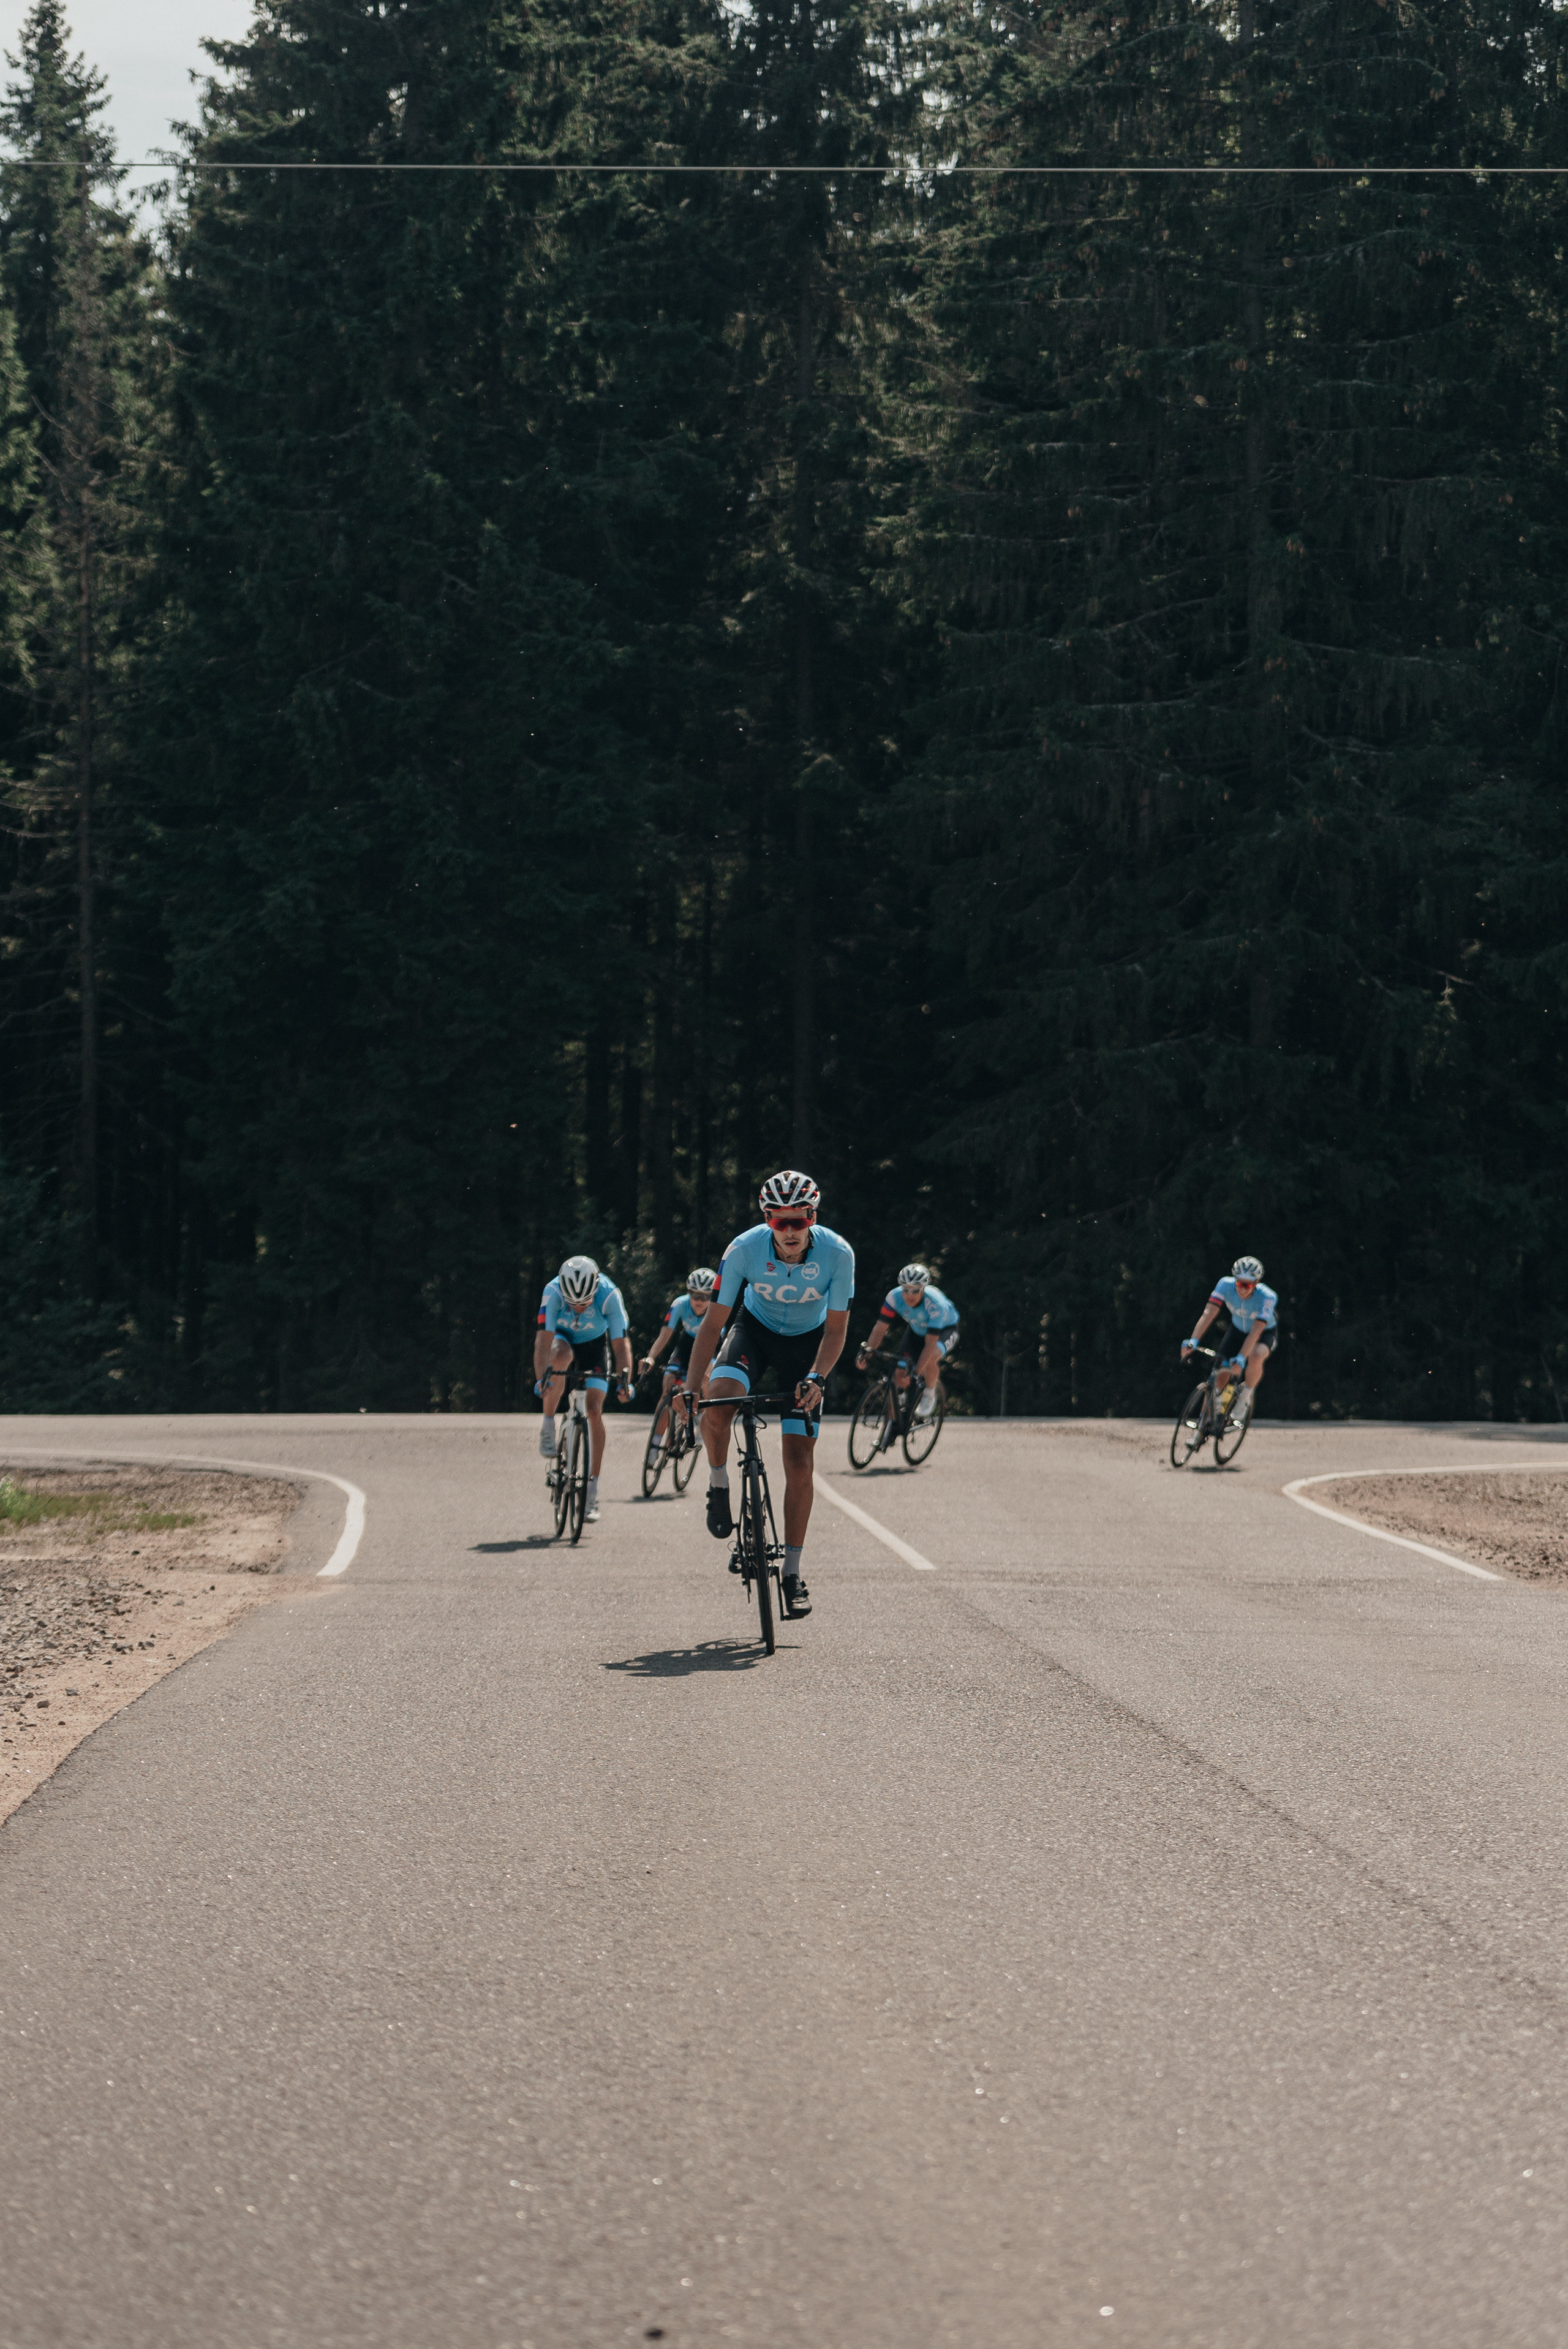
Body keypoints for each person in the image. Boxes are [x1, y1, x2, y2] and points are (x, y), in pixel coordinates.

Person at [681, 1169, 854, 1620]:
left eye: (802, 1219)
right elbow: (713, 1324)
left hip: (807, 1349)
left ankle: (793, 1573)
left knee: (799, 1463)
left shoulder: (838, 1254)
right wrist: (689, 1386)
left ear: (813, 1217)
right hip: (753, 1335)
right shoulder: (743, 1249)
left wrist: (817, 1378)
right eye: (782, 1222)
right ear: (768, 1220)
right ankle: (719, 1484)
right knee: (718, 1402)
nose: (792, 1230)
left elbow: (836, 1331)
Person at [535, 1254, 634, 1522]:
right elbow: (543, 1342)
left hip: (595, 1348)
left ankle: (592, 1492)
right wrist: (542, 1379)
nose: (578, 1308)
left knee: (594, 1410)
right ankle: (547, 1425)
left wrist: (625, 1381)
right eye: (572, 1303)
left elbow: (620, 1344)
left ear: (596, 1288)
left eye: (585, 1302)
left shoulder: (610, 1295)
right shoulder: (552, 1292)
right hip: (562, 1341)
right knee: (558, 1358)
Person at [856, 1262, 959, 1426]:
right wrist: (867, 1353)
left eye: (915, 1290)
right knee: (899, 1373)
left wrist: (916, 1374)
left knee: (930, 1359)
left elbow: (931, 1343)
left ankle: (929, 1394)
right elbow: (880, 1328)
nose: (909, 1295)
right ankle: (901, 1411)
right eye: (906, 1289)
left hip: (944, 1331)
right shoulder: (893, 1298)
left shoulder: (935, 1305)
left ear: (924, 1289)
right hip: (916, 1332)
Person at [1182, 1255, 1279, 1428]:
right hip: (1237, 1331)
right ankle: (1206, 1420)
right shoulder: (1225, 1285)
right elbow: (1209, 1313)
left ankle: (1246, 1396)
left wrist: (1242, 1357)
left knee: (1255, 1356)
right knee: (1220, 1372)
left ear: (1256, 1283)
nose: (1242, 1288)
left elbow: (1257, 1330)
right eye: (1239, 1283)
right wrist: (1193, 1340)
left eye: (1247, 1285)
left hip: (1264, 1333)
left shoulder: (1268, 1296)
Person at [638, 1268, 719, 1453]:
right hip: (685, 1346)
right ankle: (656, 1443)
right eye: (695, 1295)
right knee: (667, 1385)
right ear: (688, 1293)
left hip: (708, 1347)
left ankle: (701, 1423)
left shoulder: (717, 1310)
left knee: (708, 1380)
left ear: (712, 1297)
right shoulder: (680, 1304)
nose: (699, 1301)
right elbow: (665, 1334)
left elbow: (716, 1343)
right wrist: (651, 1357)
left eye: (705, 1296)